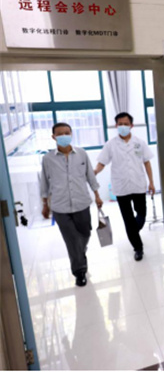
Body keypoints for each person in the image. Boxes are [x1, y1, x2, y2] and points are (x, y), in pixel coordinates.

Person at [40, 122, 103, 287]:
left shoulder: (82, 154)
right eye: (60, 134)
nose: (64, 136)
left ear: (71, 134)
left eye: (67, 133)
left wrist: (97, 196)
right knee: (72, 240)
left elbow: (90, 176)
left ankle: (79, 254)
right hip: (60, 207)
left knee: (85, 234)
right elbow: (44, 183)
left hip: (82, 203)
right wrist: (45, 204)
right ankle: (79, 272)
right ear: (53, 137)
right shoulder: (47, 159)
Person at [95, 112, 155, 261]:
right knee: (128, 218)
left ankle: (132, 231)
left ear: (131, 125)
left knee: (141, 214)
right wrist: (95, 172)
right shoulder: (110, 144)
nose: (123, 126)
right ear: (116, 125)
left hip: (138, 184)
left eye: (126, 124)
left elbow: (146, 162)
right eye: (120, 124)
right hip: (121, 187)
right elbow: (102, 162)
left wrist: (151, 182)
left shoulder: (139, 143)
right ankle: (138, 248)